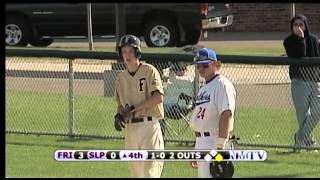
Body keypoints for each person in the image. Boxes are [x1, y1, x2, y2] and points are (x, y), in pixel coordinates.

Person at [113, 34, 165, 177]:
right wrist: (119, 115)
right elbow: (121, 105)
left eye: (130, 51)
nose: (127, 55)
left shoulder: (149, 70)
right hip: (131, 129)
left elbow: (158, 97)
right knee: (136, 174)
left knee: (150, 173)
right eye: (124, 51)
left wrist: (135, 109)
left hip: (148, 125)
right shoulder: (121, 77)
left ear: (137, 52)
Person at [189, 48, 237, 178]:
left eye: (205, 65)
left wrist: (220, 145)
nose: (201, 69)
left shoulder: (222, 84)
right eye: (198, 66)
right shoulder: (203, 88)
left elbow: (226, 114)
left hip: (215, 141)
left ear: (216, 64)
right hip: (202, 141)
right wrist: (196, 147)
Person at [283, 14, 320, 152]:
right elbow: (300, 55)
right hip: (299, 82)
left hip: (315, 81)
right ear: (291, 27)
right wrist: (301, 39)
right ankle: (310, 143)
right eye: (295, 25)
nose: (298, 27)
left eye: (301, 24)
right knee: (303, 115)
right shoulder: (288, 41)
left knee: (317, 111)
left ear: (306, 25)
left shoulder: (314, 40)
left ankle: (299, 137)